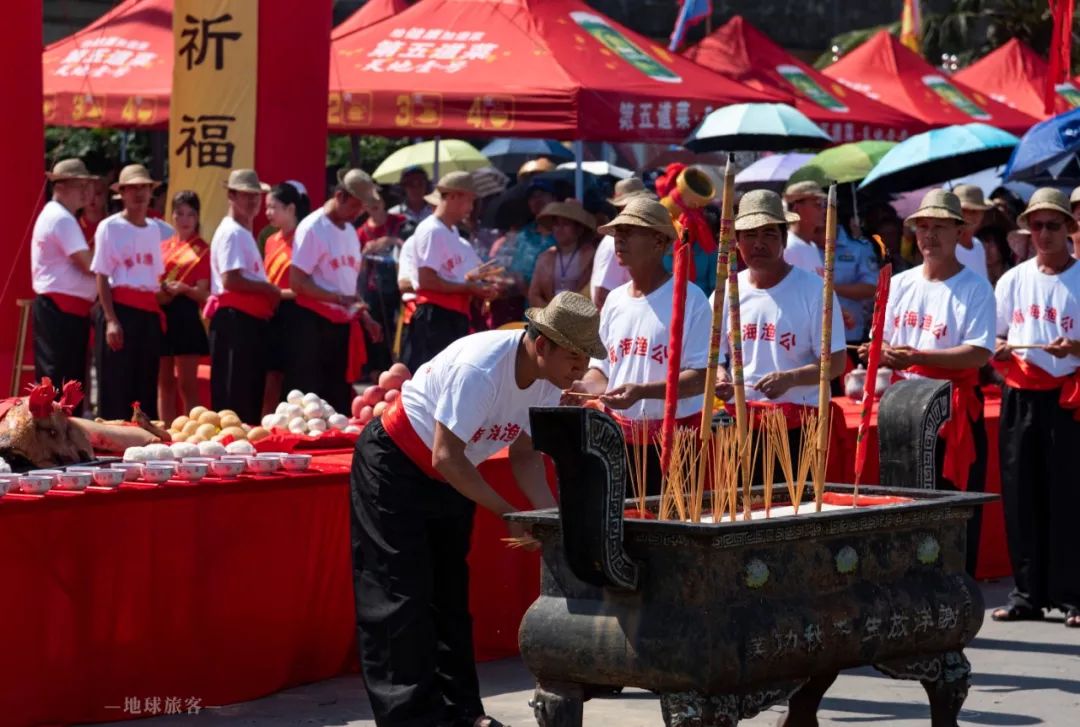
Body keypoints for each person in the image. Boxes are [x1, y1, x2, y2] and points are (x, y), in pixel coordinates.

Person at [351, 292, 602, 727]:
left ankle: (464, 712)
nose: (580, 370)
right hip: (396, 465)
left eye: (586, 359)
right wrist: (509, 514)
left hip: (452, 474)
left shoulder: (548, 379)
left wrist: (548, 522)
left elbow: (525, 456)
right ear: (542, 345)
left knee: (449, 595)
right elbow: (445, 456)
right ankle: (412, 719)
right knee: (401, 595)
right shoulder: (483, 368)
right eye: (574, 358)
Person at [873, 189, 995, 575]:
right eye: (923, 227)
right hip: (904, 410)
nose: (929, 236)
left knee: (952, 508)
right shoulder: (902, 282)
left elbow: (979, 353)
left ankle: (955, 592)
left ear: (959, 232)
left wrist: (919, 357)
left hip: (951, 410)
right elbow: (885, 337)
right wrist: (886, 352)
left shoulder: (975, 288)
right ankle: (910, 593)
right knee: (905, 502)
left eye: (939, 227)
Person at [568, 196, 711, 495]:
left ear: (659, 242)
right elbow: (602, 370)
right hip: (619, 437)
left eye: (630, 231)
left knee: (672, 528)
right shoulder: (615, 301)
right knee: (623, 527)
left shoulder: (690, 298)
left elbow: (701, 378)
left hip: (675, 440)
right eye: (618, 232)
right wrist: (583, 387)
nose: (619, 239)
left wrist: (642, 392)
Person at [990, 188, 1080, 628]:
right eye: (1037, 225)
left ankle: (1072, 592)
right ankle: (1027, 591)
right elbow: (996, 334)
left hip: (1067, 396)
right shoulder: (1013, 279)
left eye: (1053, 225)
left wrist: (1076, 346)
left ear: (1070, 230)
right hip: (1020, 392)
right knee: (1021, 492)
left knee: (1067, 493)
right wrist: (1001, 348)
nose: (1044, 234)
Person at [712, 190, 847, 480]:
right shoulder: (726, 292)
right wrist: (721, 377)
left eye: (769, 234)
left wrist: (791, 378)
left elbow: (836, 364)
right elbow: (713, 358)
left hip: (799, 425)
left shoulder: (815, 291)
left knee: (795, 516)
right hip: (741, 423)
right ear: (737, 241)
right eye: (749, 234)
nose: (758, 244)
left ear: (784, 240)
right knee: (744, 515)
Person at [288, 169, 384, 414]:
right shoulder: (313, 227)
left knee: (338, 397)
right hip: (314, 324)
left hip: (342, 324)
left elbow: (347, 285)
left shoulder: (351, 232)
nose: (358, 214)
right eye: (355, 206)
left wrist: (365, 316)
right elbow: (297, 282)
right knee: (311, 399)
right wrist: (337, 298)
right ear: (340, 196)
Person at [90, 164, 167, 419]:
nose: (139, 193)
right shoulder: (110, 227)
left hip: (148, 313)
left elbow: (153, 277)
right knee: (116, 386)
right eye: (132, 188)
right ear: (121, 193)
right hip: (120, 309)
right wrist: (111, 320)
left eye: (143, 187)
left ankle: (144, 444)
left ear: (151, 191)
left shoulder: (156, 229)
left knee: (145, 384)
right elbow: (101, 274)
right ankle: (111, 448)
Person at [401, 172, 495, 372]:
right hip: (436, 315)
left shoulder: (451, 232)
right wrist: (468, 287)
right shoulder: (432, 230)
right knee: (433, 375)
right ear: (453, 197)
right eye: (469, 200)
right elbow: (426, 281)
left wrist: (477, 286)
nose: (471, 208)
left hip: (451, 313)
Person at [208, 169, 281, 425]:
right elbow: (231, 279)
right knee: (236, 396)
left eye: (256, 196)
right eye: (246, 195)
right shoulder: (233, 232)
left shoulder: (241, 231)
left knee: (246, 392)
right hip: (236, 321)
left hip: (245, 321)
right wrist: (268, 289)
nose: (253, 201)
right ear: (231, 195)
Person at [782, 181, 878, 346]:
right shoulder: (789, 248)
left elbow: (815, 294)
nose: (824, 210)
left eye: (824, 205)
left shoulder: (810, 247)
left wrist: (837, 312)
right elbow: (789, 301)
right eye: (817, 204)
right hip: (801, 343)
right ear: (797, 207)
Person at [31, 159, 98, 390]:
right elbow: (89, 264)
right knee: (60, 384)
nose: (86, 192)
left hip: (65, 311)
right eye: (80, 186)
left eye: (86, 185)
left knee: (64, 382)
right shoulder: (61, 218)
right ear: (60, 186)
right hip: (61, 312)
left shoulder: (59, 215)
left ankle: (56, 426)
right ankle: (54, 428)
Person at [157, 190, 210, 423]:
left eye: (190, 214)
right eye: (179, 214)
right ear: (172, 216)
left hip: (187, 316)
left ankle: (193, 433)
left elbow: (204, 293)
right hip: (162, 315)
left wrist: (184, 289)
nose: (185, 219)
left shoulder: (203, 249)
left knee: (187, 384)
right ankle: (166, 433)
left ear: (197, 217)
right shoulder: (163, 247)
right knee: (163, 383)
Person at [262, 181, 309, 414]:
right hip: (271, 313)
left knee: (293, 377)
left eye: (274, 207)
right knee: (270, 375)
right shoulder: (270, 240)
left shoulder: (304, 238)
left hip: (297, 313)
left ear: (291, 209)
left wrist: (278, 293)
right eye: (267, 207)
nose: (268, 213)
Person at [358, 195, 407, 378]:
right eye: (369, 203)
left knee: (398, 332)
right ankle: (377, 374)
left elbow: (410, 243)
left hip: (399, 284)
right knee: (377, 333)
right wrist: (365, 252)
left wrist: (390, 240)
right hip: (374, 288)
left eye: (377, 200)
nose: (374, 206)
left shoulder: (400, 222)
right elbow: (357, 266)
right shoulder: (361, 232)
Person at [591, 177, 653, 309]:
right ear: (622, 208)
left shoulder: (625, 239)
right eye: (636, 204)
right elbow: (601, 297)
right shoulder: (612, 243)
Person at [528, 200, 597, 307]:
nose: (560, 229)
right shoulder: (545, 257)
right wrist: (549, 314)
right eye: (556, 224)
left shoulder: (592, 256)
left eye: (566, 224)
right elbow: (534, 294)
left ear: (579, 229)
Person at [953, 184, 991, 279]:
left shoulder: (978, 245)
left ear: (982, 214)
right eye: (964, 210)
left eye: (975, 211)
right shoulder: (948, 249)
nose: (969, 216)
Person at [388, 166, 433, 230]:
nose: (416, 189)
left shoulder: (436, 211)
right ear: (403, 187)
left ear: (427, 186)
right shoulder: (393, 214)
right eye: (411, 184)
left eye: (420, 183)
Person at [77, 175, 109, 249]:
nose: (92, 198)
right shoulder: (74, 226)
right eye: (88, 193)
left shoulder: (113, 225)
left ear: (106, 195)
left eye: (98, 193)